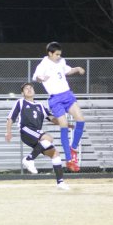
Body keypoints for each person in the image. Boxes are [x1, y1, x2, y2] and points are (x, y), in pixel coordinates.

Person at [32, 41, 86, 172]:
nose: (58, 56)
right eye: (56, 54)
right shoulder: (44, 64)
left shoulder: (61, 61)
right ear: (50, 53)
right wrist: (41, 78)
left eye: (60, 54)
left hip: (67, 95)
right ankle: (69, 159)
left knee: (81, 120)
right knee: (64, 125)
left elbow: (67, 71)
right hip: (55, 99)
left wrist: (77, 69)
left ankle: (73, 149)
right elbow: (36, 77)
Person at [5, 82, 70, 190]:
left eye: (31, 88)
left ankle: (60, 182)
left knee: (55, 154)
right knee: (48, 138)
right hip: (26, 130)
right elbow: (11, 118)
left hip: (37, 133)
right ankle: (29, 159)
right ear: (22, 93)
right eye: (26, 89)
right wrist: (8, 132)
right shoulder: (20, 102)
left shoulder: (40, 106)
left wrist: (64, 122)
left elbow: (51, 118)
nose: (29, 89)